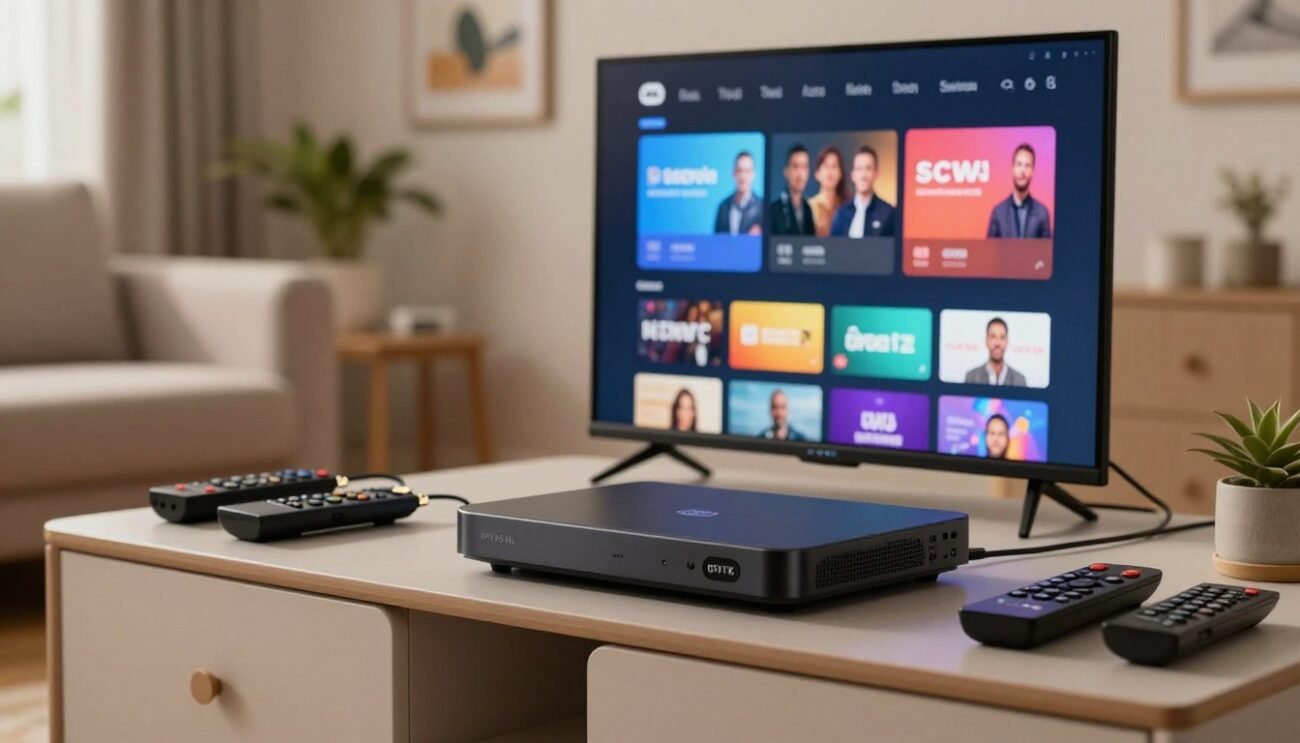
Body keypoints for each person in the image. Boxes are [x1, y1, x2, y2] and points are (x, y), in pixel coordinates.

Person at [829, 145, 897, 238]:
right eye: (859, 169)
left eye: (868, 168)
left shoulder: (888, 213)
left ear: (876, 173)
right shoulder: (841, 214)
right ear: (853, 175)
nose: (863, 175)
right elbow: (832, 248)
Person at [987, 143, 1052, 239]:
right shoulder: (998, 213)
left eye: (1027, 165)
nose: (1022, 170)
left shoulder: (1042, 214)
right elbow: (990, 252)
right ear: (1012, 169)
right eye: (1019, 164)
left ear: (1032, 172)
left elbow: (1047, 253)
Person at [964, 317, 1028, 386]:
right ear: (986, 340)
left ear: (1007, 342)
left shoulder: (1019, 380)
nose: (997, 343)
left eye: (1002, 337)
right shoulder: (971, 378)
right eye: (993, 337)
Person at [769, 144, 815, 236]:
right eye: (795, 166)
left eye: (804, 167)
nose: (800, 173)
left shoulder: (808, 209)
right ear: (786, 171)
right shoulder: (774, 210)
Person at [713, 151, 762, 235]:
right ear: (733, 173)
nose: (743, 177)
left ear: (753, 174)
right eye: (739, 171)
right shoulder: (723, 207)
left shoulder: (762, 207)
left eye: (747, 171)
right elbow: (716, 239)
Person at [807, 146, 848, 237]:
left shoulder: (848, 206)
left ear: (840, 173)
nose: (830, 172)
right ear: (817, 174)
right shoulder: (809, 207)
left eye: (834, 166)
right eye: (826, 166)